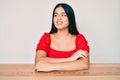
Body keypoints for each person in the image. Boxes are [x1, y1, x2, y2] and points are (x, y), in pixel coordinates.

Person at [35, 3, 90, 72]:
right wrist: (70, 59)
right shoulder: (46, 38)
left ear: (70, 18)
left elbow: (83, 64)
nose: (58, 18)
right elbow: (39, 61)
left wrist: (51, 66)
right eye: (55, 15)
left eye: (63, 15)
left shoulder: (80, 39)